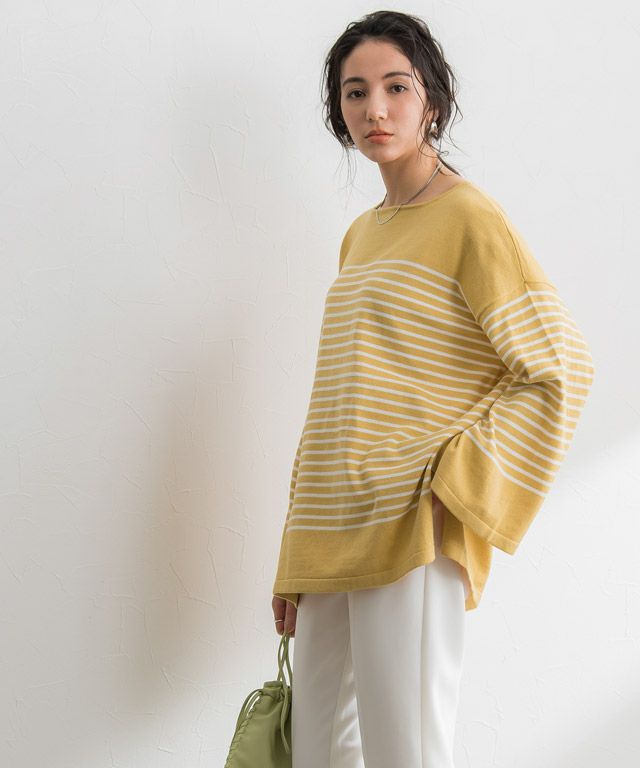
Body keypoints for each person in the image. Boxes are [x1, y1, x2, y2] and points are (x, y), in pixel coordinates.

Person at [270, 10, 594, 767]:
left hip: (411, 524)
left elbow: (561, 367)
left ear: (433, 102)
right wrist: (294, 551)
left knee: (406, 752)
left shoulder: (470, 219)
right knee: (316, 752)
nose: (374, 109)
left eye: (396, 87)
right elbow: (338, 397)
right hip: (333, 526)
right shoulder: (363, 234)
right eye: (355, 93)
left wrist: (457, 483)